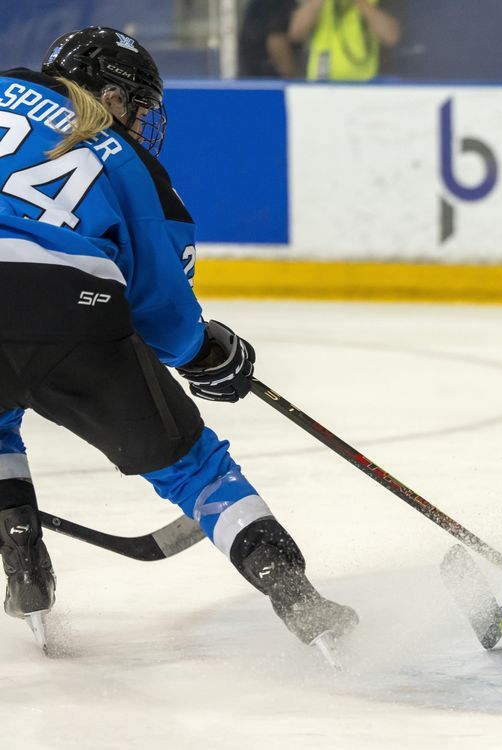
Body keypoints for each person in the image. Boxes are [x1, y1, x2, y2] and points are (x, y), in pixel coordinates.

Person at [0, 27, 357, 652]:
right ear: (110, 96)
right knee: (195, 468)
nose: (142, 119)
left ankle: (19, 551)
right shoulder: (124, 159)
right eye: (137, 103)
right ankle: (300, 602)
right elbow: (159, 311)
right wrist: (206, 355)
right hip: (64, 303)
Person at [289, 0, 401, 81]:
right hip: (322, 83)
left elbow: (391, 37)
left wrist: (361, 3)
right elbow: (296, 33)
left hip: (368, 84)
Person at [238, 0, 302, 78]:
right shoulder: (274, 3)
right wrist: (297, 80)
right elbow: (277, 45)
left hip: (254, 79)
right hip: (267, 82)